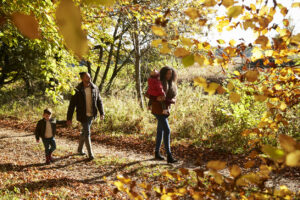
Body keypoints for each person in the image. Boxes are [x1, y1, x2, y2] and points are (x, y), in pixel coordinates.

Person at [67, 72, 104, 161]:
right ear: (82, 79)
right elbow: (72, 105)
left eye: (89, 77)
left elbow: (99, 101)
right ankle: (90, 154)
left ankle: (79, 149)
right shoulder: (77, 89)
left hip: (91, 114)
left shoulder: (94, 88)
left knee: (84, 132)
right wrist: (69, 118)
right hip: (82, 115)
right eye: (87, 77)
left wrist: (102, 113)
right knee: (87, 132)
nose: (89, 78)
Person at [147, 66, 178, 163]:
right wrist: (156, 99)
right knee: (167, 130)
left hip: (166, 109)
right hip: (157, 108)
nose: (169, 75)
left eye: (171, 73)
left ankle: (156, 153)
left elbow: (172, 96)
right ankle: (169, 155)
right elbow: (148, 94)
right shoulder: (158, 82)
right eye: (167, 73)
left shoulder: (172, 84)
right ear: (163, 74)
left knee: (160, 131)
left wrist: (172, 101)